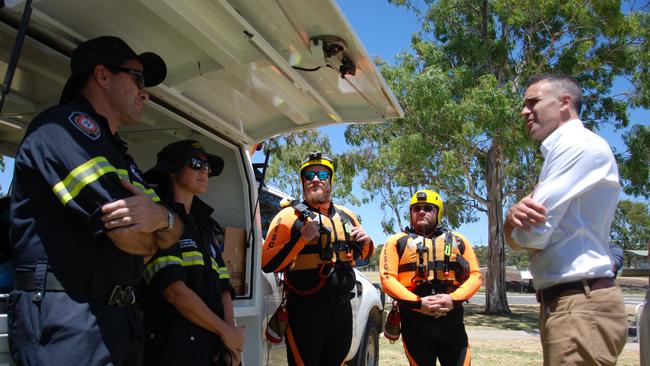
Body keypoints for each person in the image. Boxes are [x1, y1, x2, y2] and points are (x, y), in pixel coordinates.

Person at [8, 36, 184, 366]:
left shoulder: (119, 155)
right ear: (102, 76)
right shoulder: (61, 128)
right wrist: (159, 228)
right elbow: (128, 233)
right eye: (138, 78)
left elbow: (169, 229)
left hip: (117, 319)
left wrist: (163, 219)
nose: (145, 92)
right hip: (68, 320)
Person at [504, 73, 627, 365]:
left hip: (579, 305)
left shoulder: (577, 146)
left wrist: (514, 230)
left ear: (564, 103)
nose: (524, 111)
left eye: (533, 102)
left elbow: (532, 235)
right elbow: (524, 233)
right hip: (569, 305)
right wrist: (512, 221)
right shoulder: (563, 150)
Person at [261, 151, 373, 365]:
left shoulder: (346, 216)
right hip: (306, 312)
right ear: (303, 182)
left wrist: (367, 242)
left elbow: (363, 255)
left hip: (342, 312)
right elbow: (267, 263)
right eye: (308, 176)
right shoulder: (287, 216)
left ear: (330, 180)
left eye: (321, 175)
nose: (315, 180)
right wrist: (300, 239)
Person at [140, 139, 245, 366]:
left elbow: (223, 283)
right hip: (172, 346)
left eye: (207, 167)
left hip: (209, 343)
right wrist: (225, 331)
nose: (205, 171)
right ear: (172, 169)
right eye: (196, 164)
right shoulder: (158, 215)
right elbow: (173, 291)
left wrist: (231, 335)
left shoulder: (204, 222)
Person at [380, 189, 481, 365]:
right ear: (411, 213)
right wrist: (419, 303)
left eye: (428, 208)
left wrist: (452, 299)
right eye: (416, 208)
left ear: (438, 212)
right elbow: (387, 279)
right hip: (415, 324)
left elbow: (476, 276)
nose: (421, 211)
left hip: (452, 323)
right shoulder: (396, 242)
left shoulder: (459, 242)